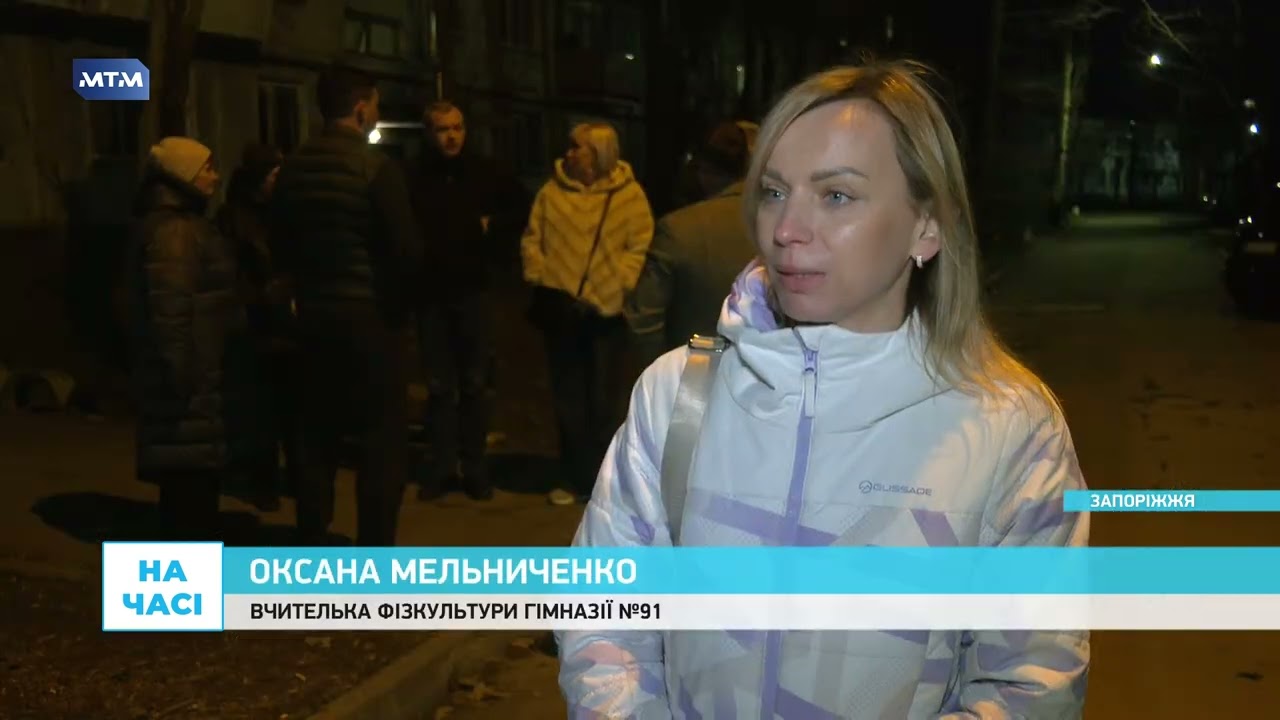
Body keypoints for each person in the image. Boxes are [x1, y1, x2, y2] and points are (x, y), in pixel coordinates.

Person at [556, 61, 1090, 717]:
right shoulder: (677, 395)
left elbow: (1029, 681)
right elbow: (604, 617)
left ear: (927, 225)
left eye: (836, 196)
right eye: (774, 191)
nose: (786, 229)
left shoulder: (1010, 426)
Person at [271, 65, 423, 546]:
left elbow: (281, 244)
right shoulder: (375, 168)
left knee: (315, 436)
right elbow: (405, 251)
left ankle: (312, 536)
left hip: (313, 318)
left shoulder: (293, 167)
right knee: (381, 442)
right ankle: (374, 550)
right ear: (360, 109)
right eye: (374, 104)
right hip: (371, 320)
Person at [521, 122, 655, 506]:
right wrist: (543, 275)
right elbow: (533, 238)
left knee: (604, 400)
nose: (570, 153)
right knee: (567, 397)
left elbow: (639, 246)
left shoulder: (629, 196)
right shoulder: (551, 192)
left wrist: (618, 284)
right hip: (561, 308)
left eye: (578, 147)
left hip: (606, 313)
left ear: (599, 154)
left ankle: (602, 479)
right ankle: (572, 474)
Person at [406, 101, 528, 502]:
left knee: (475, 383)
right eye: (443, 129)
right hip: (430, 293)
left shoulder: (483, 171)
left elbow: (519, 209)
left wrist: (492, 232)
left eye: (457, 127)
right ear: (429, 133)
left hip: (473, 289)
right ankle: (441, 467)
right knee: (440, 385)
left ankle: (475, 467)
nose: (452, 136)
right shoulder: (415, 175)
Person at [127, 136, 243, 540]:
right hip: (189, 392)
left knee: (188, 498)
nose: (215, 176)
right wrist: (183, 381)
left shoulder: (181, 224)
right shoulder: (176, 232)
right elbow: (170, 313)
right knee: (190, 503)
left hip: (194, 386)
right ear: (183, 175)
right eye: (206, 168)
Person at [625, 120, 757, 368]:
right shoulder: (788, 227)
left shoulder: (678, 229)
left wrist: (660, 375)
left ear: (703, 171)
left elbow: (643, 320)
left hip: (693, 376)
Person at [215, 143, 300, 512]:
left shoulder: (284, 213)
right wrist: (262, 294)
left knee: (292, 406)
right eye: (274, 175)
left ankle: (295, 478)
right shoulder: (234, 218)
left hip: (285, 321)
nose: (279, 181)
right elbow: (229, 271)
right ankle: (261, 481)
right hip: (254, 323)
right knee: (259, 409)